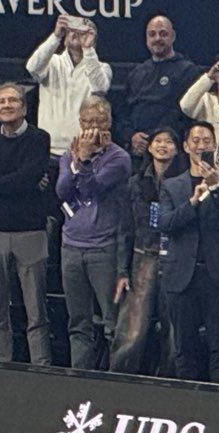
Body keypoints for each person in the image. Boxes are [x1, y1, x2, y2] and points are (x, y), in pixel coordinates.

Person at [0, 84, 54, 366]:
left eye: (12, 100)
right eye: (0, 102)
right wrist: (8, 182)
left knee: (36, 308)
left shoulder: (39, 138)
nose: (6, 105)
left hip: (30, 231)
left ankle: (41, 366)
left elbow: (25, 180)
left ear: (24, 106)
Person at [160, 121, 219, 382]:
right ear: (185, 146)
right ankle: (187, 397)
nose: (201, 146)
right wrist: (193, 202)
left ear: (214, 145)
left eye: (206, 141)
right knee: (184, 346)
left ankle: (218, 397)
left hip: (215, 275)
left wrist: (215, 188)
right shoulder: (171, 186)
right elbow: (165, 224)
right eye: (195, 141)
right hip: (181, 275)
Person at [56, 99, 131, 372]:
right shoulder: (68, 154)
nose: (92, 127)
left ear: (108, 123)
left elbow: (91, 189)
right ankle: (79, 375)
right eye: (87, 122)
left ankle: (115, 377)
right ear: (80, 123)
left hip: (103, 247)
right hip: (71, 246)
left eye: (98, 122)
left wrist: (85, 160)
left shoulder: (119, 158)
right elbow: (62, 191)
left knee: (112, 321)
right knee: (78, 321)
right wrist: (78, 159)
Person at [112, 124, 179, 375]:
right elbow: (125, 230)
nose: (163, 146)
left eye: (169, 142)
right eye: (158, 141)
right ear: (149, 147)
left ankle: (170, 382)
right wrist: (122, 270)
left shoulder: (184, 183)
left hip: (174, 259)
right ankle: (118, 381)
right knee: (132, 331)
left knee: (173, 331)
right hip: (143, 257)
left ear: (178, 149)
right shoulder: (135, 184)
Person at [25, 15, 110, 157]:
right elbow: (32, 68)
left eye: (84, 30)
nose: (76, 33)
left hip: (84, 149)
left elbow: (100, 88)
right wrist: (56, 36)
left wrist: (88, 49)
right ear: (65, 37)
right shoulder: (51, 61)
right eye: (72, 29)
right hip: (48, 148)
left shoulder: (102, 67)